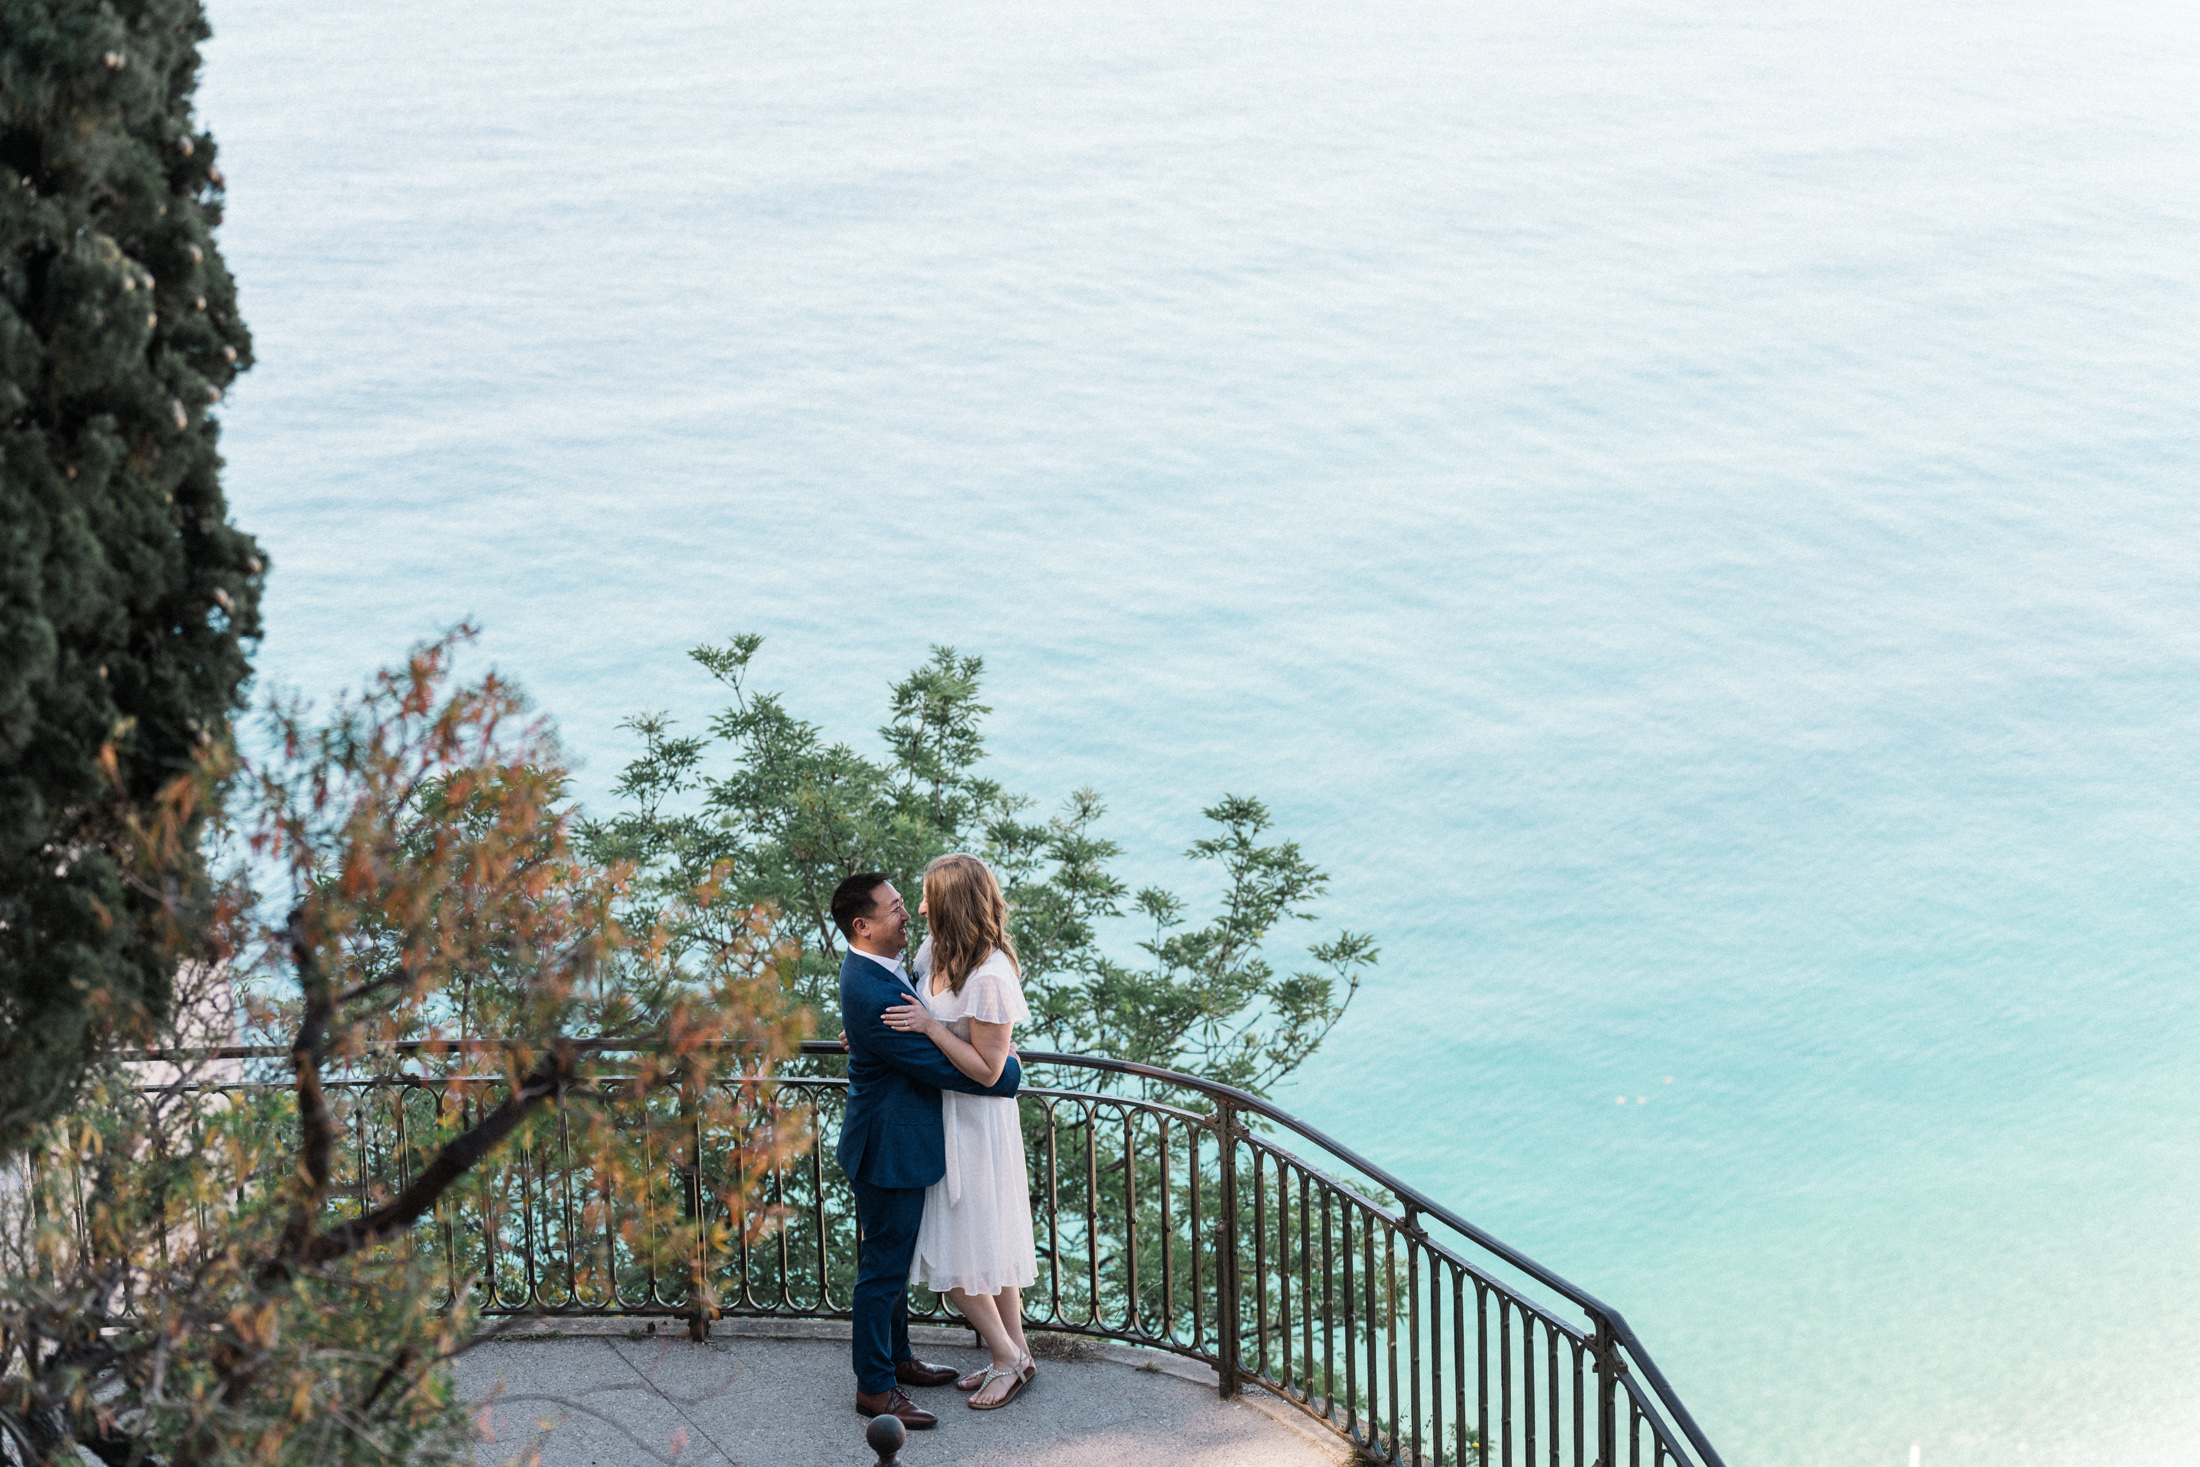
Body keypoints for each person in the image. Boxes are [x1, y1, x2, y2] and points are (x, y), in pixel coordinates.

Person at [833, 871, 1022, 1430]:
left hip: (896, 1139)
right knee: (882, 1272)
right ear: (863, 926)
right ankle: (875, 1389)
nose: (908, 913)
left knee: (886, 1265)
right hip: (888, 1147)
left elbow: (919, 1024)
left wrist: (866, 1035)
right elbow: (944, 1066)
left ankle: (898, 1360)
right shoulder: (871, 989)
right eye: (895, 908)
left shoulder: (890, 969)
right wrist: (1005, 1072)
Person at [882, 853, 1040, 1410]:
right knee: (982, 1248)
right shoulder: (935, 953)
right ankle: (1019, 1355)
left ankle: (1005, 1357)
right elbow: (907, 1012)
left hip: (975, 1125)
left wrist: (929, 1027)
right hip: (942, 1117)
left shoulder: (992, 975)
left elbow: (989, 1070)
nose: (919, 906)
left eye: (927, 897)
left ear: (952, 903)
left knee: (957, 1261)